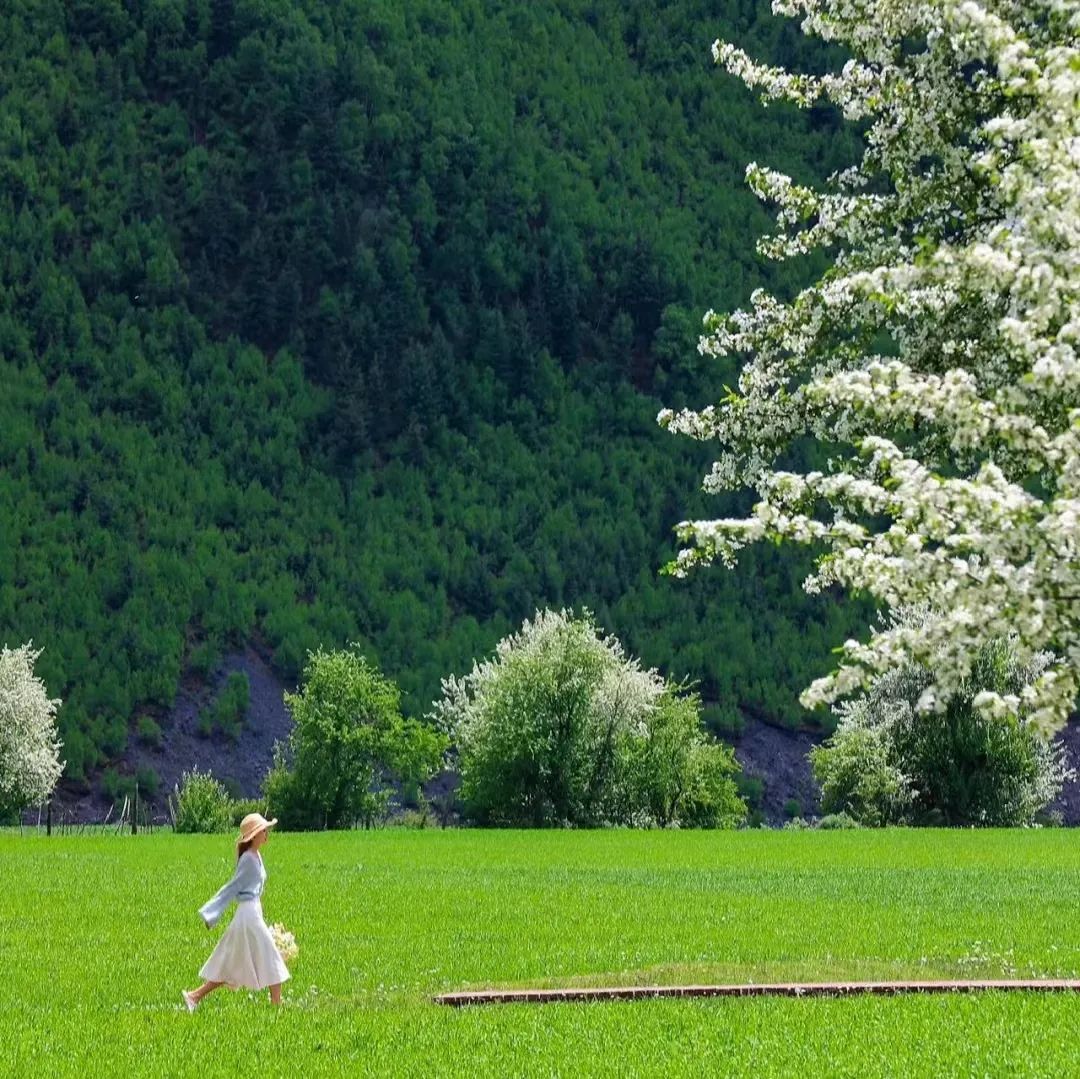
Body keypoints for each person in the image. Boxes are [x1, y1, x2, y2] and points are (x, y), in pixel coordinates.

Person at [182, 812, 290, 1011]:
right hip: (248, 916)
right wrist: (211, 914)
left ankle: (194, 996)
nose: (266, 834)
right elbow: (232, 887)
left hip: (252, 913)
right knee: (271, 955)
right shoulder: (248, 859)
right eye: (263, 831)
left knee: (233, 963)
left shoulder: (256, 856)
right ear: (254, 835)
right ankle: (276, 1003)